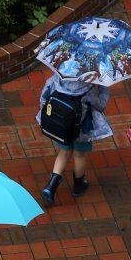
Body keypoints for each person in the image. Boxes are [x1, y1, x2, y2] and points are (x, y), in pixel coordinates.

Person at [36, 74, 113, 206]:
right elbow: (101, 105)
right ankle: (79, 184)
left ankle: (51, 185)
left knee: (63, 153)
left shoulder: (57, 79)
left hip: (62, 127)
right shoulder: (88, 90)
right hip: (82, 130)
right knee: (79, 155)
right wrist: (103, 88)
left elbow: (44, 98)